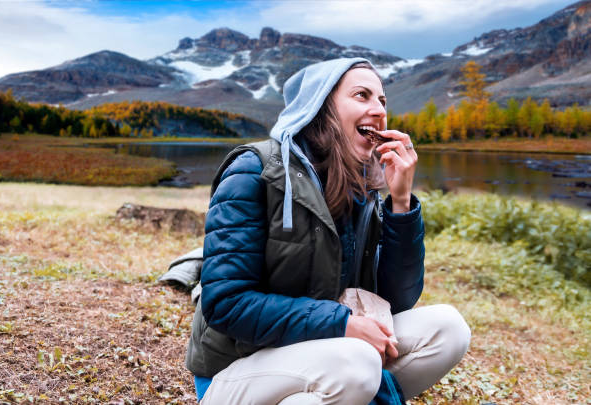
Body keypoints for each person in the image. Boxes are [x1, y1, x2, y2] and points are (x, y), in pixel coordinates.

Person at [185, 57, 471, 405]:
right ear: (320, 108)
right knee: (357, 364)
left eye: (382, 101)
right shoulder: (254, 170)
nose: (379, 111)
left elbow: (395, 298)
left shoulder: (361, 188)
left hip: (326, 352)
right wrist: (341, 324)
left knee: (448, 328)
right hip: (238, 370)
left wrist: (400, 201)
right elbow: (225, 303)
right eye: (362, 95)